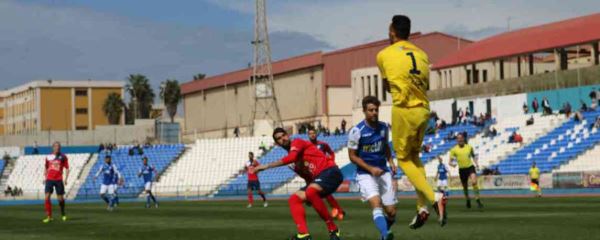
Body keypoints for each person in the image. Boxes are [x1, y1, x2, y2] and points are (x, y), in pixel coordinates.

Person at [376, 14, 446, 229]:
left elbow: (388, 87)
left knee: (404, 160)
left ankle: (435, 197)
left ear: (392, 32)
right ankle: (421, 207)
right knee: (415, 157)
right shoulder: (422, 54)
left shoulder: (384, 55)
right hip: (424, 110)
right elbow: (425, 85)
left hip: (404, 109)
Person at [253, 128, 342, 240]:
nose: (283, 139)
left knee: (310, 191)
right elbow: (308, 178)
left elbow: (291, 157)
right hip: (319, 179)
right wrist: (312, 198)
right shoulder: (294, 165)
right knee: (294, 199)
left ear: (288, 135)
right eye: (279, 139)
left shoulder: (297, 142)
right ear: (277, 143)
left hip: (331, 171)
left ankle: (333, 228)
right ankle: (304, 234)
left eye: (283, 135)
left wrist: (265, 166)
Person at [348, 96, 397, 240]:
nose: (374, 112)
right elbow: (352, 156)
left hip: (383, 172)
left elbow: (386, 146)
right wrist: (370, 169)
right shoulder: (356, 131)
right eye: (371, 110)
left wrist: (391, 161)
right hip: (365, 174)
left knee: (392, 212)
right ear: (364, 111)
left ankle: (384, 234)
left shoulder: (383, 127)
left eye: (376, 110)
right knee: (376, 204)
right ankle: (385, 234)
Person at [307, 128, 345, 219]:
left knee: (322, 191)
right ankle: (337, 210)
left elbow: (331, 153)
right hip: (313, 172)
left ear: (316, 134)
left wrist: (331, 161)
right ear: (308, 135)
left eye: (314, 133)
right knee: (317, 192)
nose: (312, 135)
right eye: (310, 133)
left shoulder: (323, 145)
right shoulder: (306, 146)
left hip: (324, 170)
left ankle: (337, 210)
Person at [449, 134, 483, 209]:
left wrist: (477, 164)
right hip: (462, 169)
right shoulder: (454, 149)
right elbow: (450, 162)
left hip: (470, 167)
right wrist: (452, 164)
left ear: (464, 139)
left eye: (461, 138)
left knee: (474, 182)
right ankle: (467, 199)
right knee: (465, 187)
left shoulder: (469, 147)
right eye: (458, 138)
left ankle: (477, 199)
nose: (460, 139)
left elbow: (473, 156)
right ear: (456, 140)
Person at [42, 142, 69, 223]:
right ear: (53, 147)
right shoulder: (48, 157)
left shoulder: (63, 157)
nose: (58, 147)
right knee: (47, 197)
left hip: (58, 180)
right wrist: (45, 177)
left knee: (60, 199)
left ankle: (63, 213)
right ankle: (49, 216)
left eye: (59, 146)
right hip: (49, 179)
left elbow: (67, 168)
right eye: (56, 146)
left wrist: (66, 179)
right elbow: (46, 167)